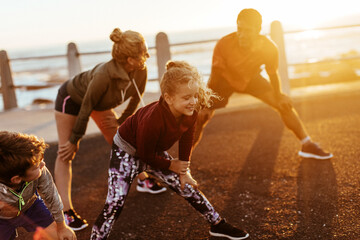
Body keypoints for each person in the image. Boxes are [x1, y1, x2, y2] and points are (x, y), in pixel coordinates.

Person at [90, 61, 249, 240]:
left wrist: (183, 170)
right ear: (168, 98)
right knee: (115, 203)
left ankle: (218, 224)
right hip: (126, 151)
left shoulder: (191, 111)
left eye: (195, 96)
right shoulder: (153, 120)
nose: (193, 101)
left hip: (151, 151)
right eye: (187, 97)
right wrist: (171, 165)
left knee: (187, 186)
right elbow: (144, 154)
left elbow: (187, 138)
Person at [54, 28, 166, 231]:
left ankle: (142, 181)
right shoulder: (104, 75)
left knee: (122, 140)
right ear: (129, 59)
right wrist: (74, 140)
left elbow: (135, 98)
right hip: (70, 100)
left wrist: (122, 121)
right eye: (143, 53)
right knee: (66, 153)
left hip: (98, 103)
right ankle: (65, 212)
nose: (147, 56)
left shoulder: (140, 70)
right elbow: (86, 107)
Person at [193, 8, 332, 160]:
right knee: (200, 116)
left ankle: (307, 144)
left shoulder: (269, 47)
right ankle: (182, 164)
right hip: (225, 80)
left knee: (283, 104)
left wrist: (279, 96)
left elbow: (273, 74)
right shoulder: (224, 44)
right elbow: (215, 76)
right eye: (240, 29)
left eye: (248, 31)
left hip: (251, 79)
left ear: (258, 30)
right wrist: (206, 104)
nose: (242, 35)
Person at [0, 131, 76, 240]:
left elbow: (51, 196)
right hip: (2, 218)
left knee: (60, 236)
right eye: (36, 166)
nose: (43, 164)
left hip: (31, 206)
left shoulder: (40, 171)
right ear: (16, 179)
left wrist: (62, 226)